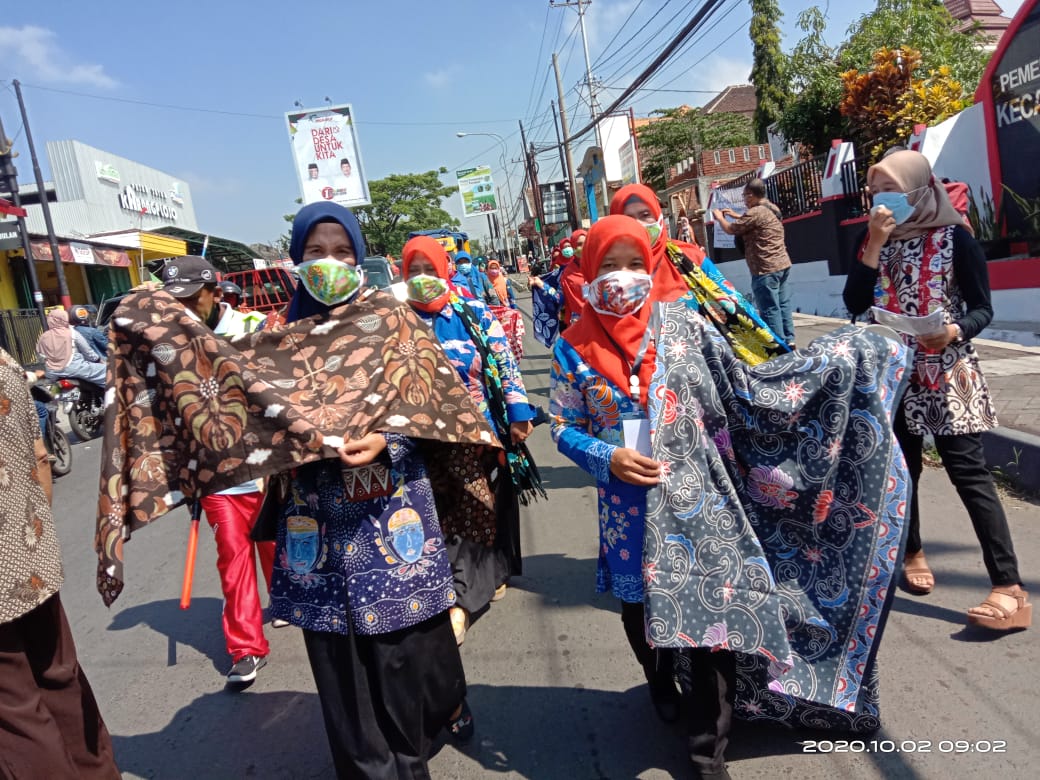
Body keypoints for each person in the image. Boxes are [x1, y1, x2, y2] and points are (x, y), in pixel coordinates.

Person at [268, 202, 473, 776]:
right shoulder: (277, 341)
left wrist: (387, 438)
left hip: (392, 536)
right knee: (348, 696)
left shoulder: (394, 325)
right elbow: (252, 434)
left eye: (341, 252)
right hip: (320, 544)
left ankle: (421, 748)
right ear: (296, 260)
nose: (328, 264)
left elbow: (444, 410)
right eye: (315, 252)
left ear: (359, 261)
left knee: (412, 679)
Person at [843, 149, 1031, 631]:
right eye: (874, 190)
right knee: (902, 471)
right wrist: (874, 245)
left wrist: (952, 331)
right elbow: (854, 302)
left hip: (946, 373)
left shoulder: (956, 239)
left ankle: (1009, 588)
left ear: (918, 189)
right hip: (893, 376)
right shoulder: (873, 238)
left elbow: (982, 309)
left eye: (890, 189)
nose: (880, 199)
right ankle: (913, 553)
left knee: (970, 476)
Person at [550, 216, 690, 728]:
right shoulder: (572, 346)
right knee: (638, 602)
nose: (623, 275)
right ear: (588, 272)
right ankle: (659, 682)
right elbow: (561, 426)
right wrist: (609, 457)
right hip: (623, 499)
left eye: (635, 263)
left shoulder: (680, 326)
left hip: (691, 490)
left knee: (694, 587)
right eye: (609, 265)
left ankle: (697, 680)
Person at [401, 235, 540, 644]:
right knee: (442, 514)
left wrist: (518, 413)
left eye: (430, 269)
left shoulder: (472, 311)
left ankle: (472, 588)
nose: (423, 279)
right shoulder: (398, 319)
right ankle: (465, 586)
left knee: (480, 506)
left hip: (481, 432)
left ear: (445, 269)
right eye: (414, 271)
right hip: (422, 438)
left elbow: (504, 362)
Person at [0, 346, 121, 779]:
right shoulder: (4, 362)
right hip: (28, 554)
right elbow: (40, 456)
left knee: (15, 714)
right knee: (60, 678)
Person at [162, 256, 279, 685]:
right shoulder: (170, 343)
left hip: (264, 465)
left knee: (273, 543)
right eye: (179, 303)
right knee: (233, 555)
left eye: (194, 299)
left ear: (215, 291)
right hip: (216, 475)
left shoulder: (252, 328)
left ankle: (283, 599)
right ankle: (246, 647)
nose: (188, 309)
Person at [612, 183, 788, 364]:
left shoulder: (689, 257)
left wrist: (779, 359)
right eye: (629, 218)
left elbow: (736, 308)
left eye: (645, 215)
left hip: (699, 373)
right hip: (637, 379)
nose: (639, 225)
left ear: (658, 216)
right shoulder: (608, 272)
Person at [712, 178, 797, 348]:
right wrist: (736, 216)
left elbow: (731, 229)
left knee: (770, 309)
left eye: (744, 196)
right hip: (782, 264)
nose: (744, 199)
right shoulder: (772, 208)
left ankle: (778, 346)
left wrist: (720, 218)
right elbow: (756, 223)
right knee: (783, 305)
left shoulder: (756, 212)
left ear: (751, 195)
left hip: (765, 268)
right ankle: (789, 339)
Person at [36, 308, 107, 386]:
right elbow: (88, 353)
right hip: (76, 369)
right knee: (109, 373)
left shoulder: (43, 337)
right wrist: (99, 361)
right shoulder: (72, 333)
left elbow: (41, 356)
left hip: (52, 373)